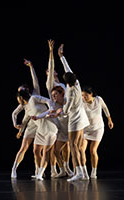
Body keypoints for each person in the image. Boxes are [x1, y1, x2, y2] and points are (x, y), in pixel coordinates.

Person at [58, 43, 90, 182]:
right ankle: (84, 173)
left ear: (66, 82)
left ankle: (78, 173)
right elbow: (68, 68)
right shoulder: (76, 82)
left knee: (73, 146)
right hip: (82, 117)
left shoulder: (70, 93)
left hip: (76, 119)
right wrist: (61, 56)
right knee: (78, 147)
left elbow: (66, 111)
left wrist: (61, 109)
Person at [45, 39, 73, 178]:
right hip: (56, 118)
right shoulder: (50, 85)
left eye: (53, 71)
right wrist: (51, 52)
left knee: (67, 146)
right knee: (56, 147)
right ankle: (56, 169)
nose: (52, 71)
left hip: (65, 116)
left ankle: (67, 168)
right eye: (49, 71)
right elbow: (51, 64)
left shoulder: (62, 85)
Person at [11, 59, 40, 179]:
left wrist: (31, 67)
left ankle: (38, 172)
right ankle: (14, 169)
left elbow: (35, 80)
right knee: (23, 148)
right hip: (31, 125)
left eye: (21, 92)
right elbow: (16, 115)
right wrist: (17, 127)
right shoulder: (23, 104)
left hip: (41, 124)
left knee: (36, 151)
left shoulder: (35, 94)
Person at [81, 85, 114, 179]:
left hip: (98, 128)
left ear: (91, 94)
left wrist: (109, 120)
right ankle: (83, 172)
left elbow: (105, 108)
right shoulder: (81, 102)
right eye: (82, 96)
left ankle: (93, 172)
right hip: (86, 129)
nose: (84, 98)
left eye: (85, 96)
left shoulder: (98, 99)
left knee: (93, 150)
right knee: (81, 149)